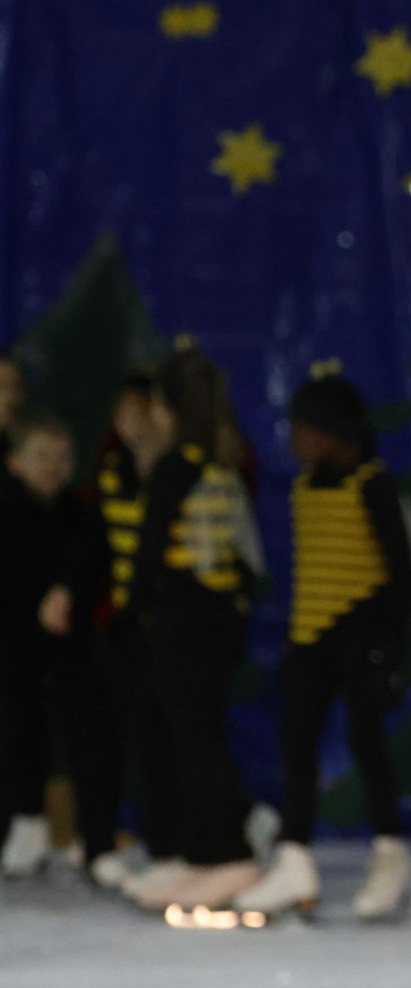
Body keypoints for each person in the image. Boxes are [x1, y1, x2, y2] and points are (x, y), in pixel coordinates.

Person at [235, 372, 411, 919]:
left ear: (336, 432)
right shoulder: (301, 488)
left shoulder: (374, 484)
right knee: (297, 744)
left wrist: (388, 647)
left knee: (367, 743)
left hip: (359, 636)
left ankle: (390, 854)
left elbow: (400, 574)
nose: (294, 440)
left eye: (304, 429)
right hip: (309, 638)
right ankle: (294, 857)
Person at [123, 347, 266, 910]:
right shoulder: (217, 457)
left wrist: (129, 615)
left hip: (187, 618)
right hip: (215, 617)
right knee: (192, 736)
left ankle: (230, 854)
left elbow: (149, 550)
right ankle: (203, 854)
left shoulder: (178, 465)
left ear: (165, 407)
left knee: (198, 738)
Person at [74, 372, 176, 890]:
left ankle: (182, 848)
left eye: (142, 413)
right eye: (124, 415)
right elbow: (96, 546)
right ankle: (97, 843)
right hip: (117, 629)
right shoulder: (110, 468)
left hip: (168, 631)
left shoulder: (177, 470)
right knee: (105, 738)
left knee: (169, 738)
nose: (131, 425)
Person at [0, 410, 103, 878]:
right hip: (16, 651)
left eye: (61, 457)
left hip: (70, 650)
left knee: (85, 734)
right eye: (40, 456)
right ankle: (27, 824)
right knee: (21, 734)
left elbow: (92, 570)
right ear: (16, 463)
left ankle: (95, 837)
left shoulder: (81, 512)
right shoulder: (7, 512)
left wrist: (67, 593)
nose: (52, 466)